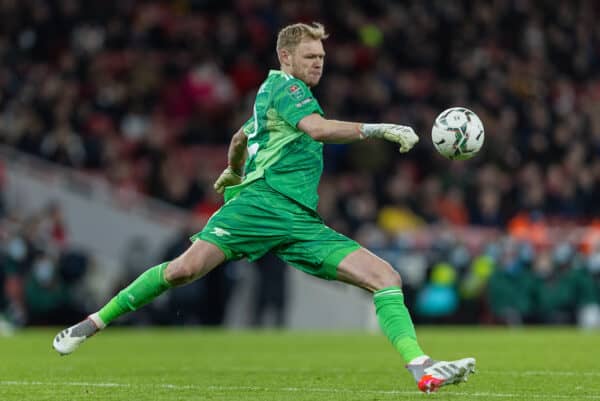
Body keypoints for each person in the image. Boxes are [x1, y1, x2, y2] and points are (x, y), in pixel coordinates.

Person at [53, 22, 475, 393]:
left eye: (322, 56)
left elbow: (240, 140)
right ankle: (92, 322)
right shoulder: (287, 88)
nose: (318, 63)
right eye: (309, 56)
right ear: (285, 56)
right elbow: (319, 130)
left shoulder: (275, 97)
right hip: (260, 206)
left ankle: (423, 369)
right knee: (183, 270)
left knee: (385, 277)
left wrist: (234, 171)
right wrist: (378, 129)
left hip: (298, 221)